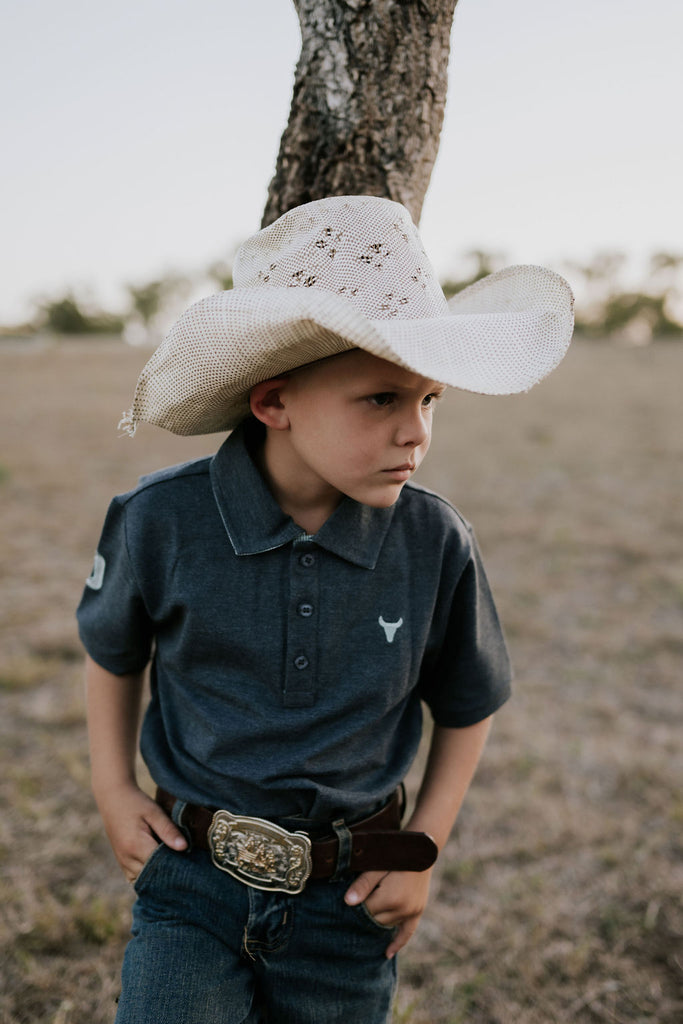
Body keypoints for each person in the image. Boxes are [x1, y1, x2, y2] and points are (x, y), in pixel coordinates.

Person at [77, 195, 573, 1024]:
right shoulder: (161, 519)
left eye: (429, 401)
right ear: (273, 403)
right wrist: (109, 785)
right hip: (191, 880)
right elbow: (112, 650)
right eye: (381, 399)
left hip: (351, 897)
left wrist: (426, 851)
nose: (414, 432)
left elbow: (467, 704)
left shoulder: (434, 540)